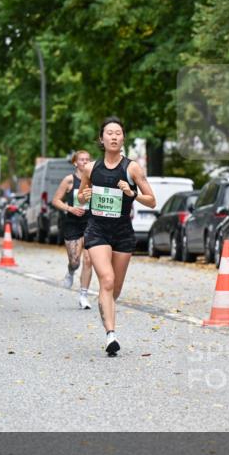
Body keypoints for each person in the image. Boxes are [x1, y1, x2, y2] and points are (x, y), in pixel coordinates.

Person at [76, 117, 155, 356]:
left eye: (118, 133)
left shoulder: (132, 168)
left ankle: (106, 306)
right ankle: (111, 334)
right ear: (101, 139)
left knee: (114, 290)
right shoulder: (91, 168)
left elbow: (151, 201)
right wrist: (84, 196)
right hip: (97, 229)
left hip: (122, 232)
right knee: (107, 280)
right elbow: (80, 196)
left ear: (123, 138)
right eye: (109, 133)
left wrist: (132, 193)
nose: (113, 137)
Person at [51, 150, 93, 309]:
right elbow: (55, 200)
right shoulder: (69, 180)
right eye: (82, 159)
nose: (85, 162)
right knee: (75, 261)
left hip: (90, 223)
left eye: (87, 159)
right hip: (72, 223)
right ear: (75, 163)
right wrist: (70, 208)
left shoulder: (94, 180)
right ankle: (71, 271)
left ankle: (83, 295)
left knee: (89, 260)